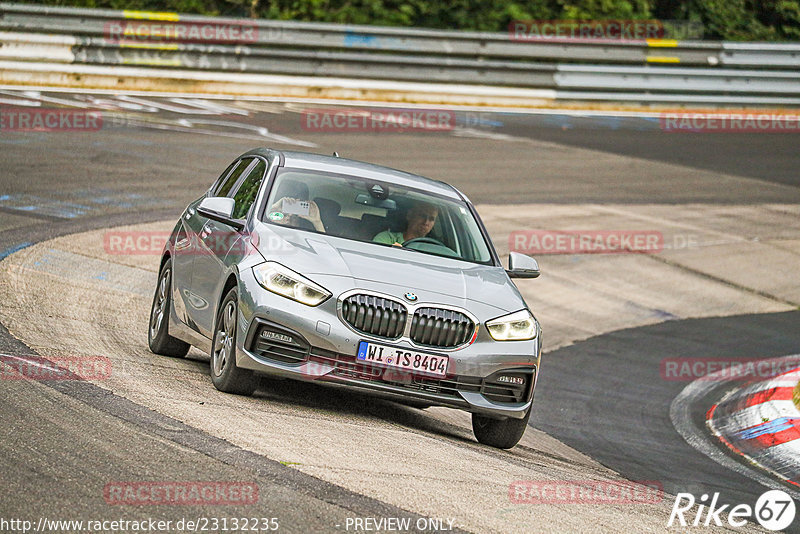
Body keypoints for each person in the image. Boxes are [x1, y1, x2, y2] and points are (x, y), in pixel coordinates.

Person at [373, 202, 438, 246]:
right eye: (422, 216)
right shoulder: (386, 238)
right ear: (409, 215)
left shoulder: (434, 248)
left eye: (431, 219)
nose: (426, 222)